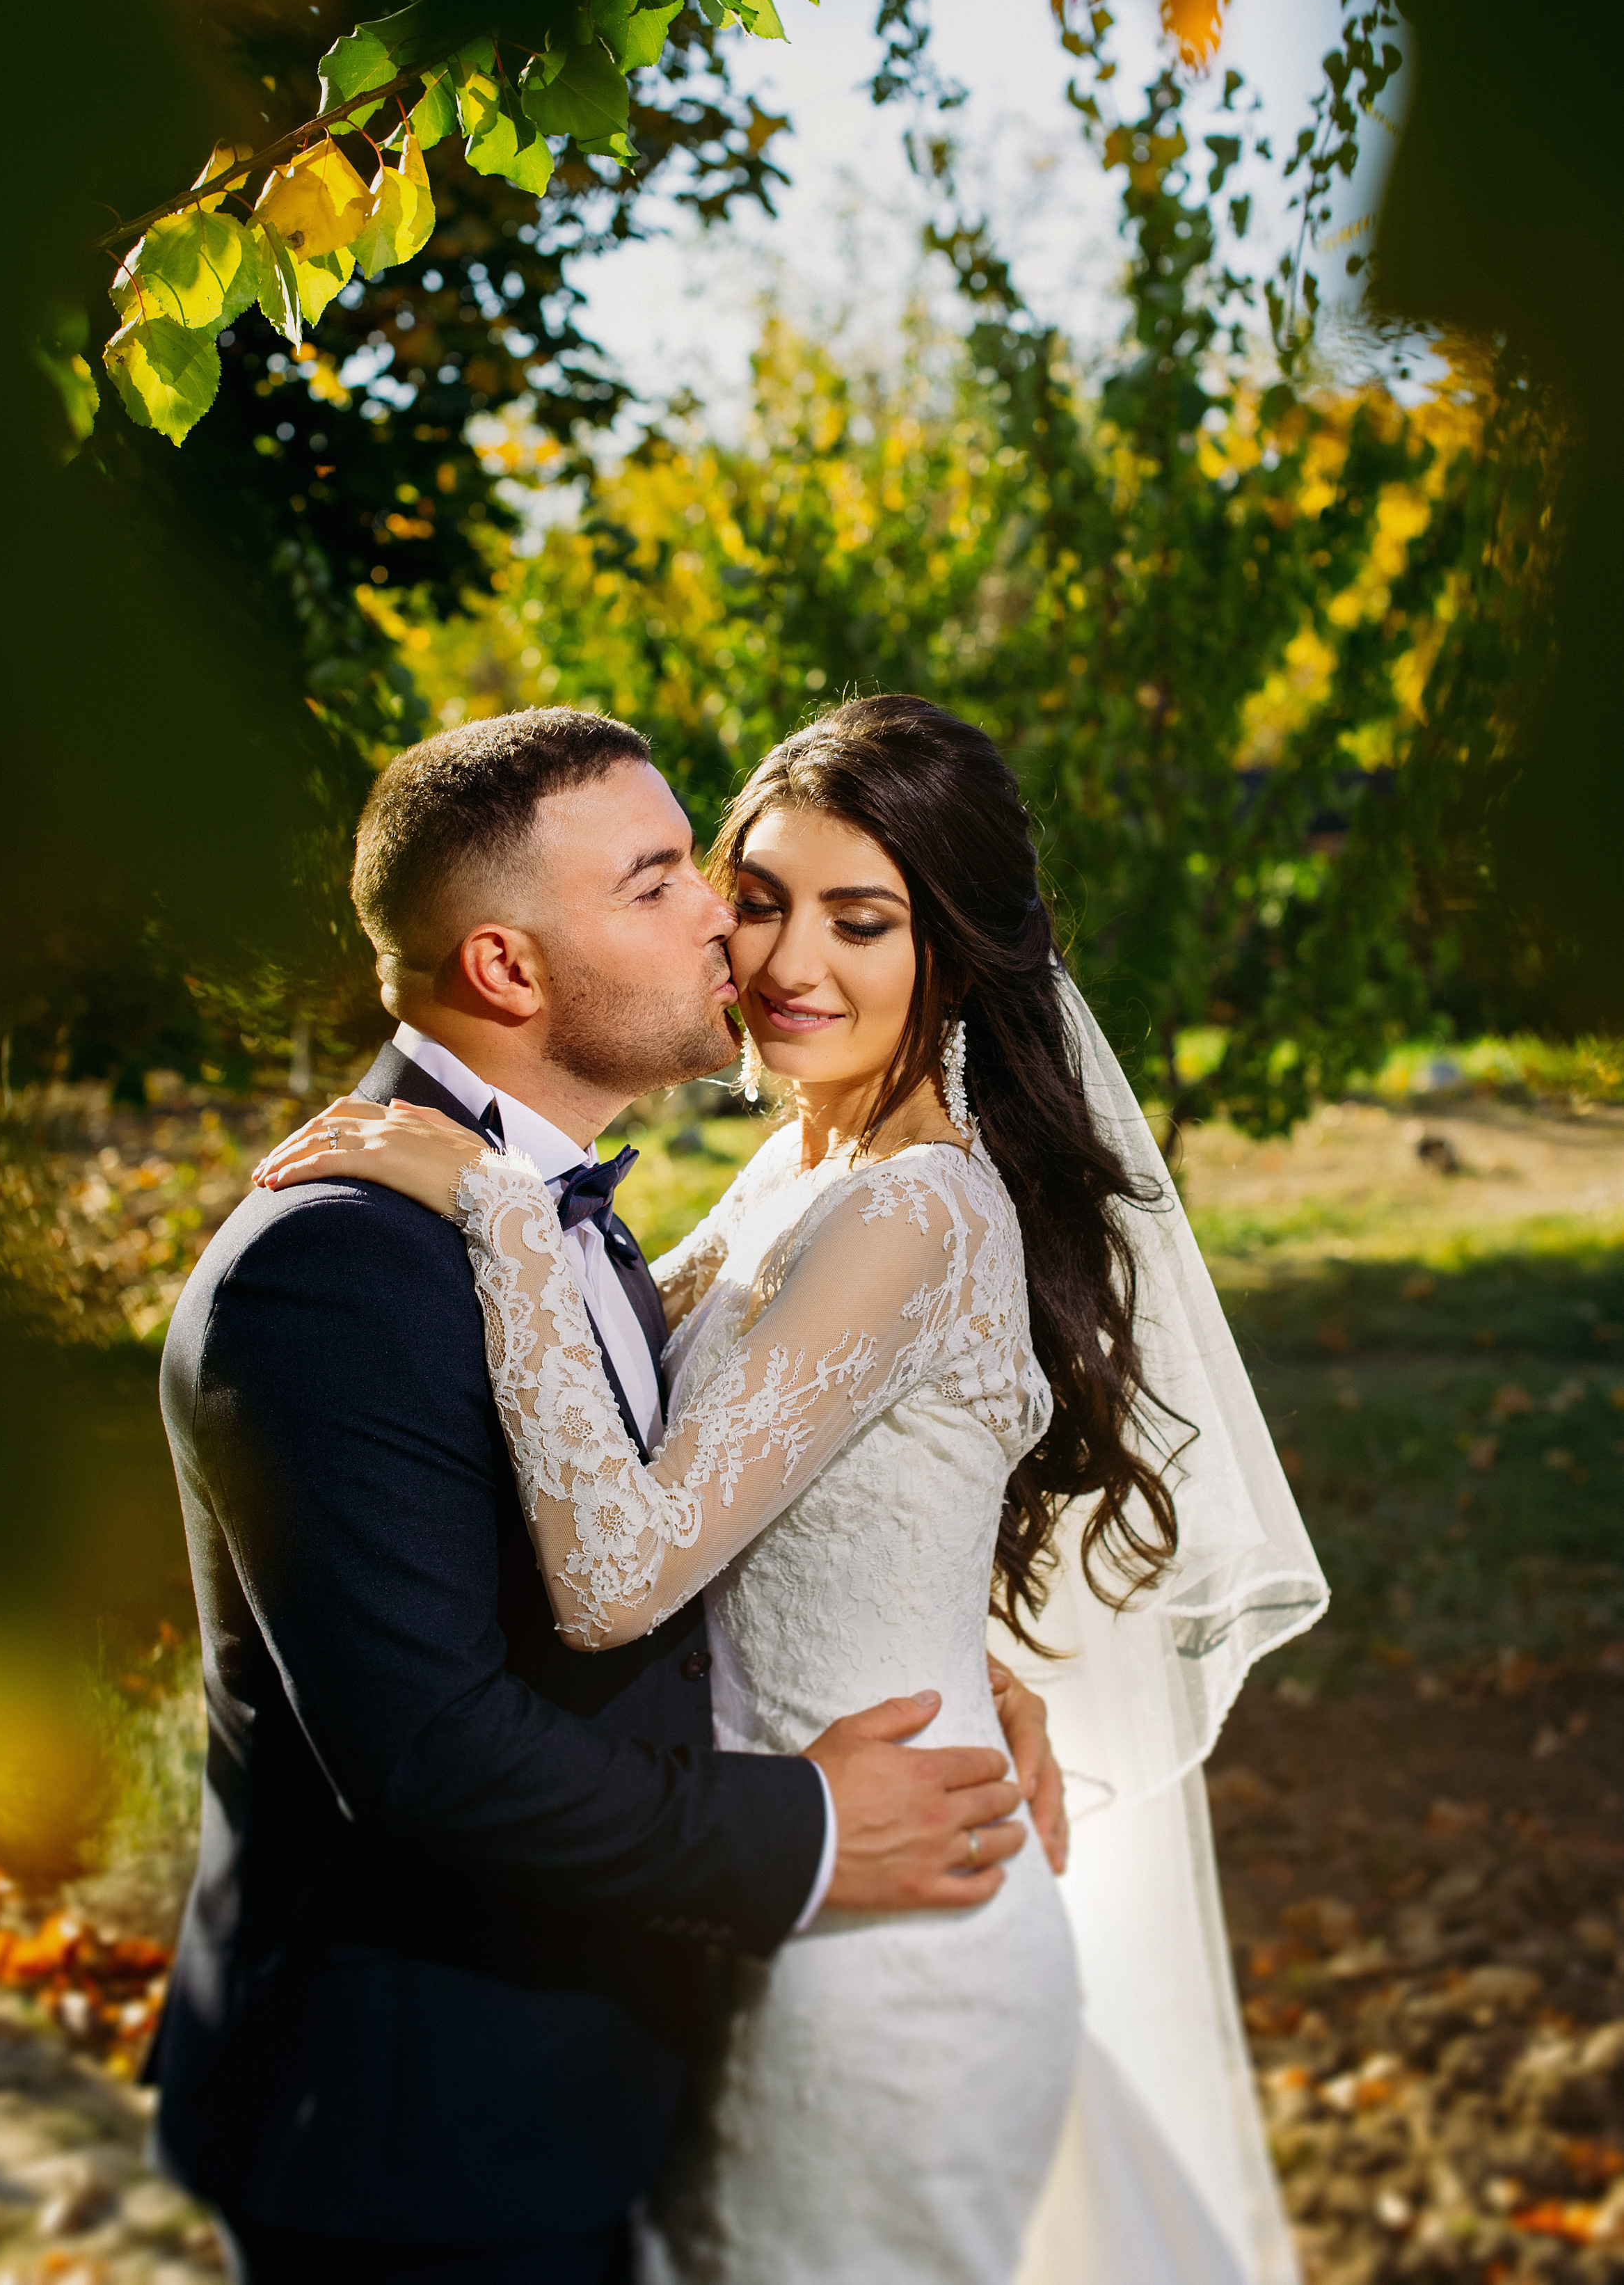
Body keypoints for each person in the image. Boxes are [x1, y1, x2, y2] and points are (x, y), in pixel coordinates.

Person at [262, 693, 1328, 2284]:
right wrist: (972, 1653)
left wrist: (492, 1210)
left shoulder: (918, 1208)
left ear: (954, 952)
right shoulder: (799, 1173)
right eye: (754, 900)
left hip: (888, 1960)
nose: (784, 964)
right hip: (771, 1905)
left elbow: (617, 1570)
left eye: (862, 920)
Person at [152, 703, 1065, 2285]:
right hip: (422, 2139)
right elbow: (436, 1751)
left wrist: (940, 1651)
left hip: (637, 2058)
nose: (724, 919)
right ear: (507, 968)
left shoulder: (565, 1205)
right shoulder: (346, 1266)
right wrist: (808, 1821)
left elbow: (728, 1488)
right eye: (666, 881)